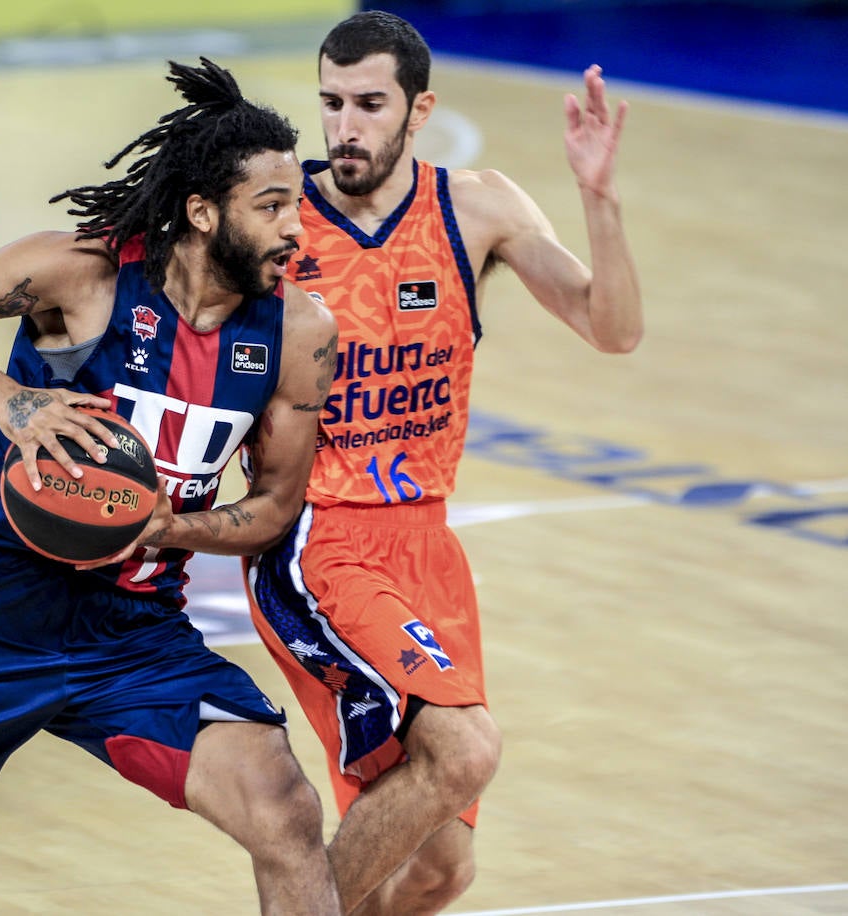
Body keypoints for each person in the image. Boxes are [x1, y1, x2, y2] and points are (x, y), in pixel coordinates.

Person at [0, 59, 342, 914]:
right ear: (204, 211)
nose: (298, 228)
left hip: (131, 636)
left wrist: (162, 529)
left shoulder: (296, 332)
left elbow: (274, 508)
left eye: (298, 203)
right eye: (274, 207)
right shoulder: (88, 275)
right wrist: (10, 399)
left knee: (284, 810)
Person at [246, 12, 643, 915]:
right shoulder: (271, 221)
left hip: (428, 553)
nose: (345, 126)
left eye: (370, 104)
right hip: (319, 544)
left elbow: (612, 329)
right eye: (332, 103)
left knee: (439, 873)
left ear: (419, 109)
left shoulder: (479, 208)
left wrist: (600, 197)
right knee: (464, 750)